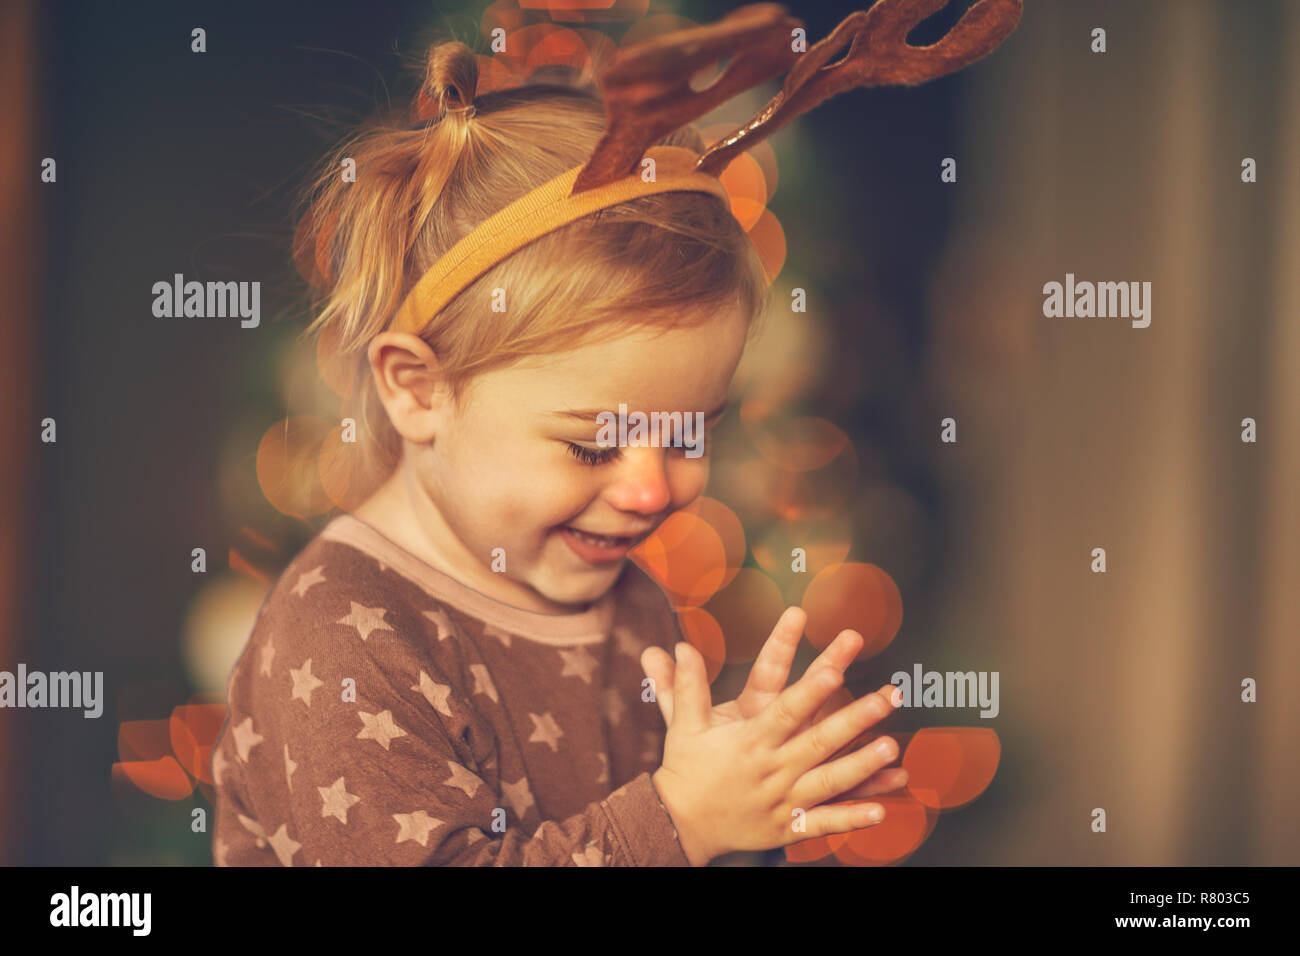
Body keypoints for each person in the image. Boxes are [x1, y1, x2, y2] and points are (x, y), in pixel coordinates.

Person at [209, 29, 923, 866]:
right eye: (594, 446)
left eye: (689, 433)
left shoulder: (631, 605)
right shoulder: (344, 641)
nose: (653, 492)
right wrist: (679, 822)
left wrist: (751, 806)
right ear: (418, 390)